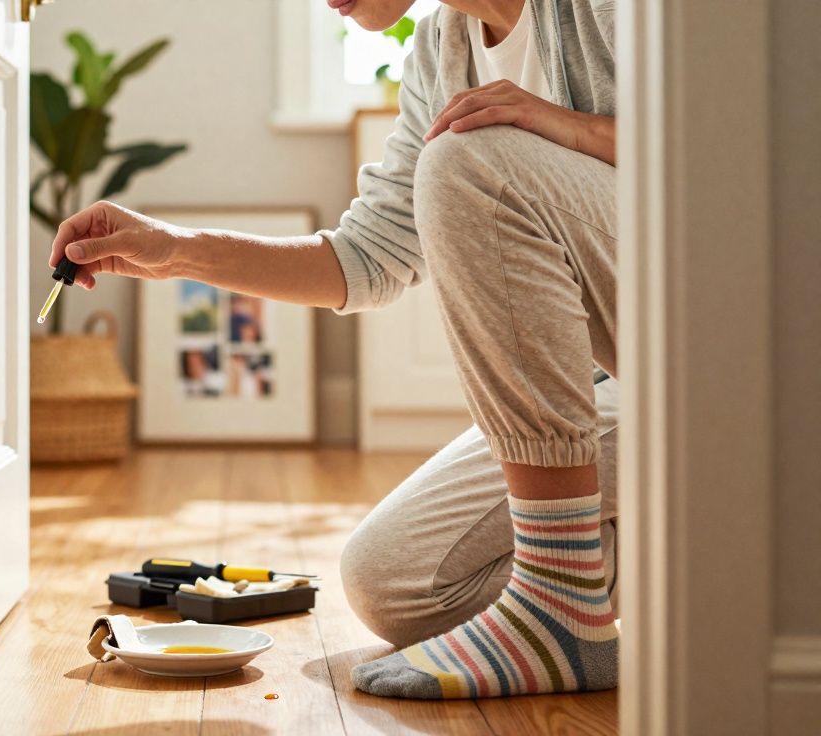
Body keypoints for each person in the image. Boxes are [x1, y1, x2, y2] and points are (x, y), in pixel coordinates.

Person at [48, 0, 619, 700]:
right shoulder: (442, 51)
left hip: (712, 343)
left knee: (472, 160)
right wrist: (176, 251)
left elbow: (736, 146)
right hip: (617, 393)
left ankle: (559, 598)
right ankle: (688, 577)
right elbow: (367, 258)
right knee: (395, 581)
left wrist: (570, 126)